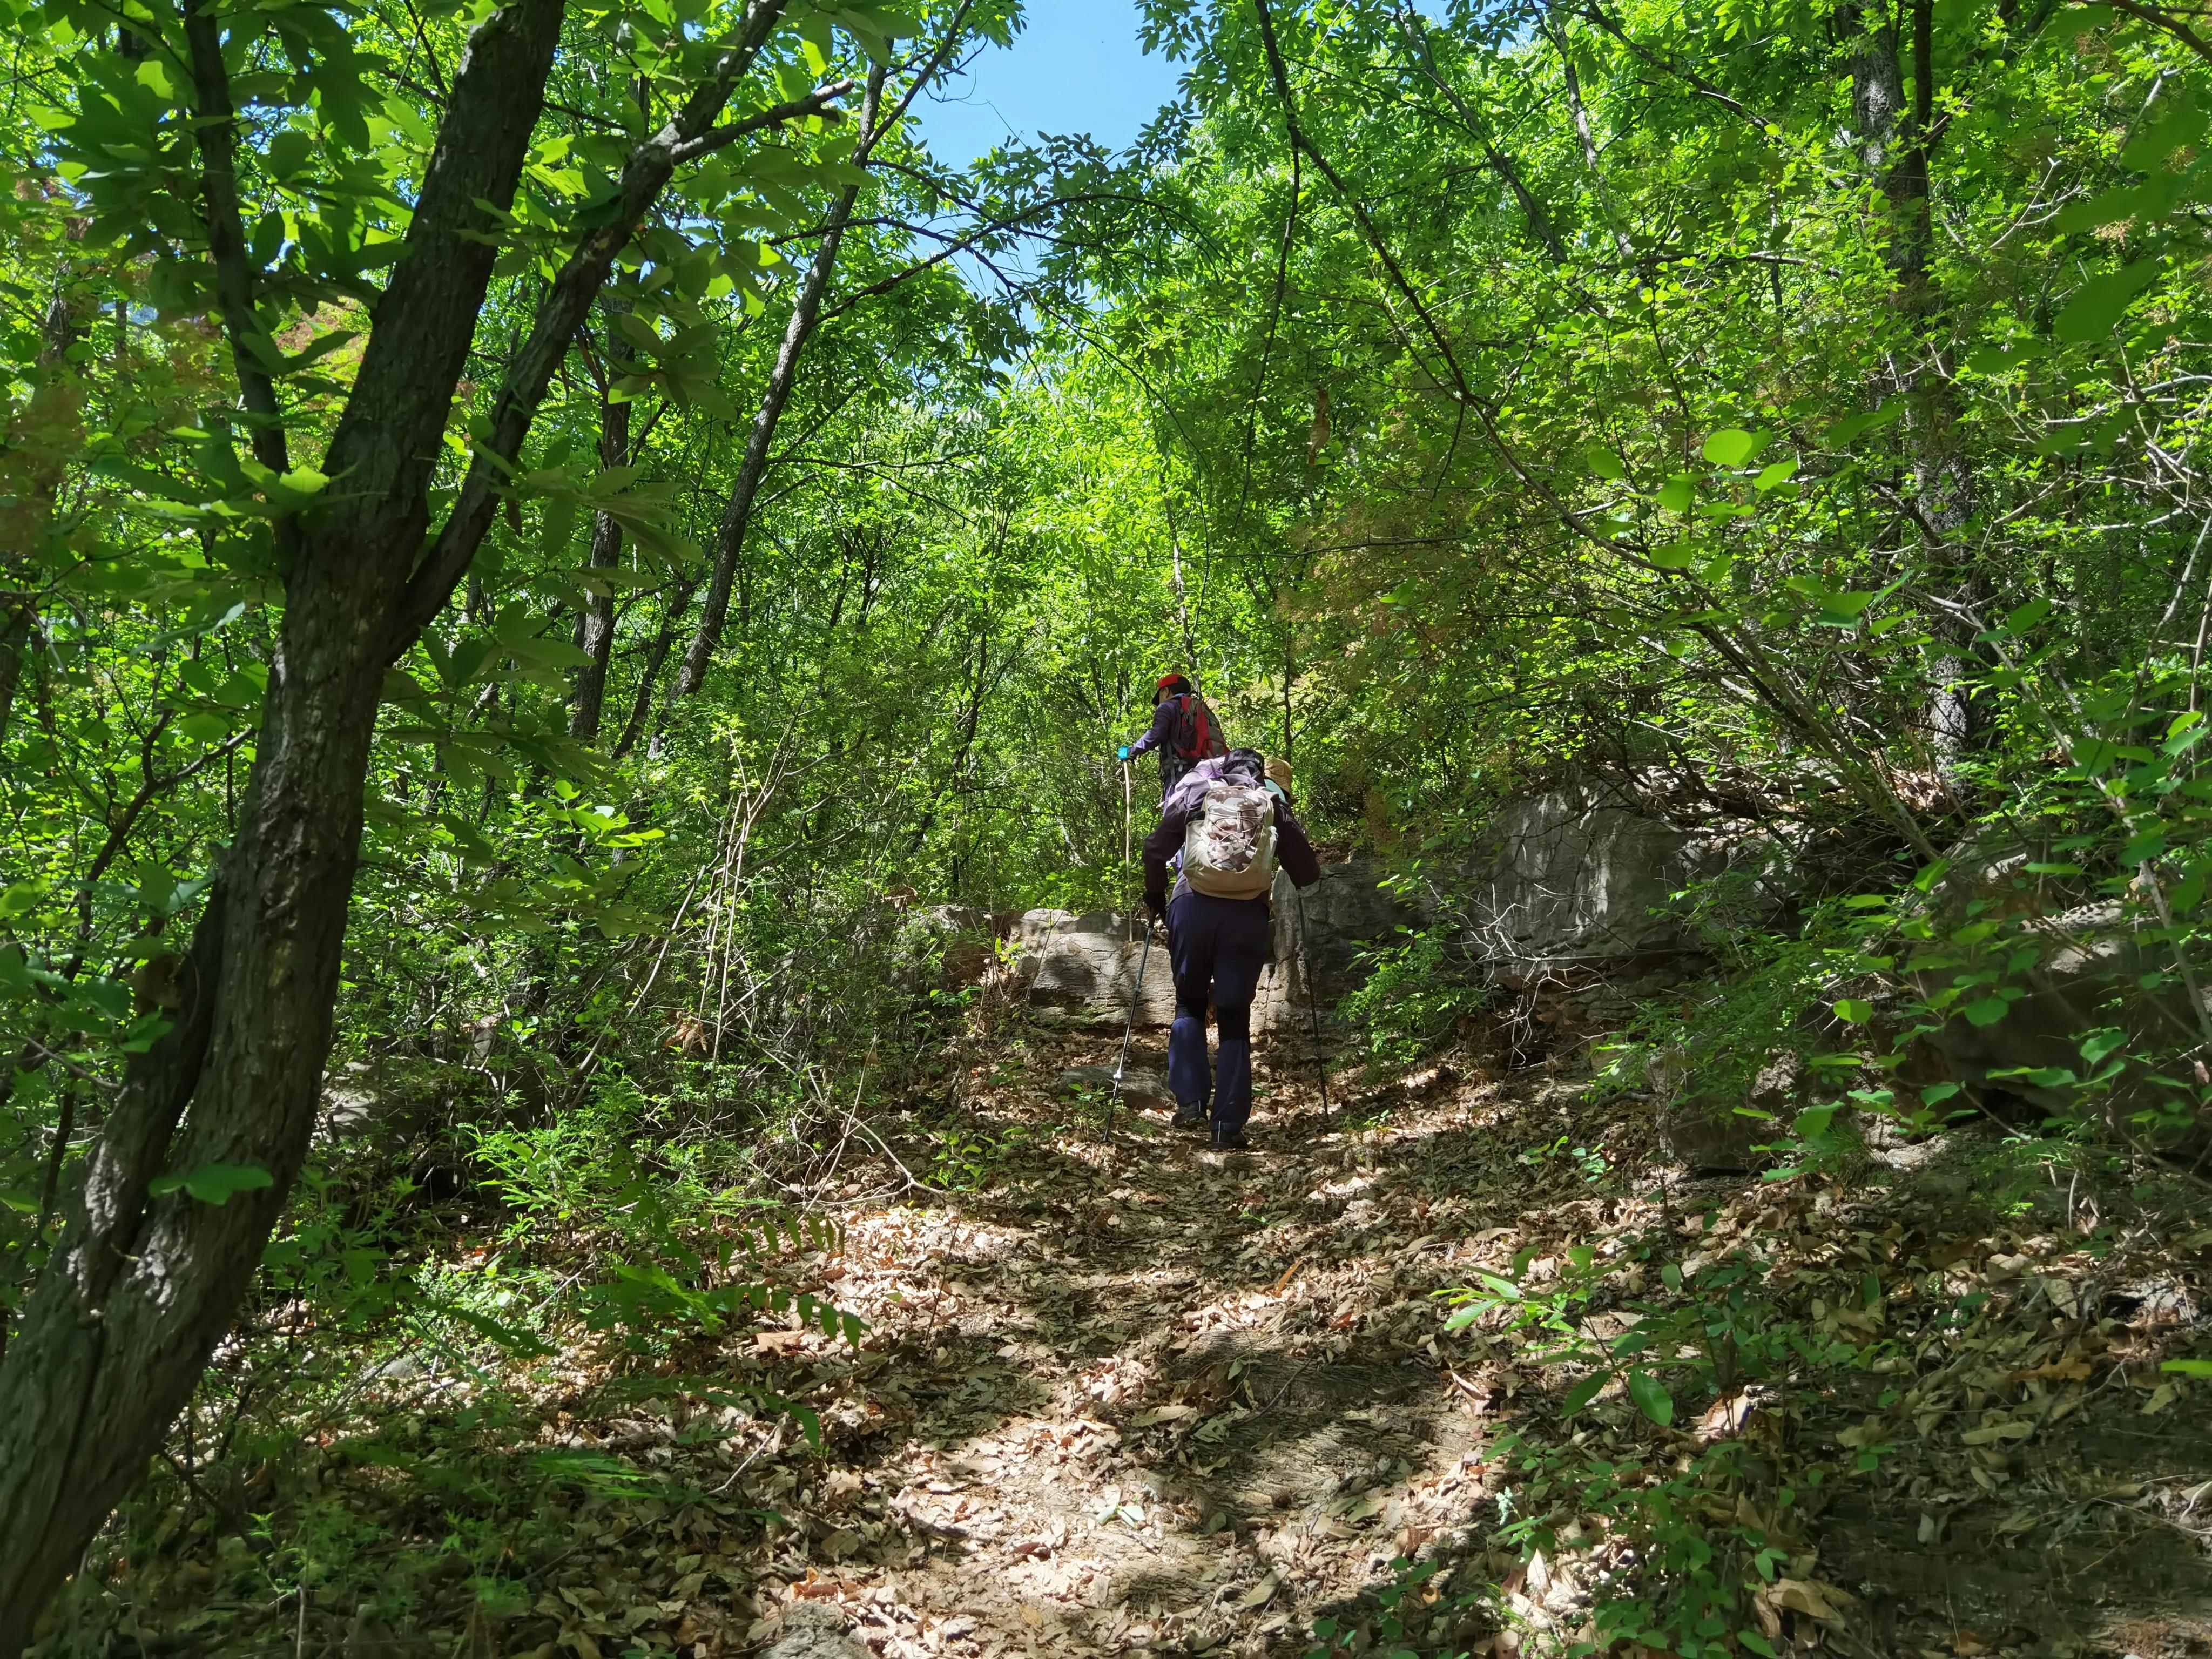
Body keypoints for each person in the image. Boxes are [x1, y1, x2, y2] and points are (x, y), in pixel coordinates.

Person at [1143, 748, 1321, 1149]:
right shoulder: (1271, 801)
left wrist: (1155, 897)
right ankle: (1227, 1126)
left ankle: (1190, 1104)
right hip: (1246, 916)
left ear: (1223, 769)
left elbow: (1155, 850)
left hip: (1191, 906)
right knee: (1234, 1016)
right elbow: (1308, 873)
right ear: (1261, 774)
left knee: (1188, 1003)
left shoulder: (1199, 793)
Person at [1117, 673, 1228, 797]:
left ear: (1166, 691)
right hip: (1209, 771)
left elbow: (1156, 734)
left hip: (1180, 775)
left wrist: (1131, 751)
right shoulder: (1196, 708)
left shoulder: (1166, 707)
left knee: (1176, 811)